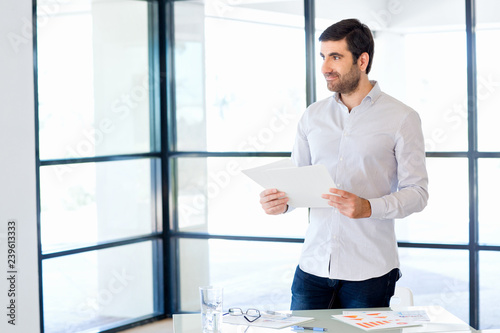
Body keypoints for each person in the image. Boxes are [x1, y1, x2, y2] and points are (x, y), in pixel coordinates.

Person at [259, 18, 428, 310]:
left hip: (369, 271)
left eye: (336, 57)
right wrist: (281, 202)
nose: (325, 67)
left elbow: (417, 193)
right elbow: (297, 181)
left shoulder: (402, 117)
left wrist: (369, 207)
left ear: (362, 60)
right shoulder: (312, 116)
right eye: (323, 57)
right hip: (312, 268)